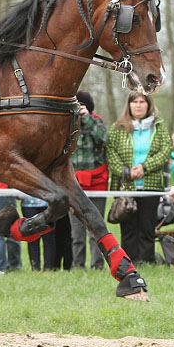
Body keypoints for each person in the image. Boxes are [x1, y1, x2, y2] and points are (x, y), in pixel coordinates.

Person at [106, 91, 173, 264]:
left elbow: (165, 151)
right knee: (128, 228)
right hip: (126, 186)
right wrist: (127, 172)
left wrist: (144, 167)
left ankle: (147, 261)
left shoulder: (159, 127)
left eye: (142, 102)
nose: (138, 105)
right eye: (134, 102)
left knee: (147, 227)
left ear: (149, 105)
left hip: (151, 186)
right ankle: (130, 263)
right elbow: (110, 152)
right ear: (128, 105)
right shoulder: (118, 127)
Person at [69, 90, 109, 270]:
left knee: (96, 227)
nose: (80, 109)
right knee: (77, 231)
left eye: (82, 106)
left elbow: (105, 138)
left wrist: (87, 118)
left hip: (97, 183)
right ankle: (78, 265)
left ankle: (97, 265)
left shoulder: (96, 121)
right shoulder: (69, 125)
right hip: (75, 184)